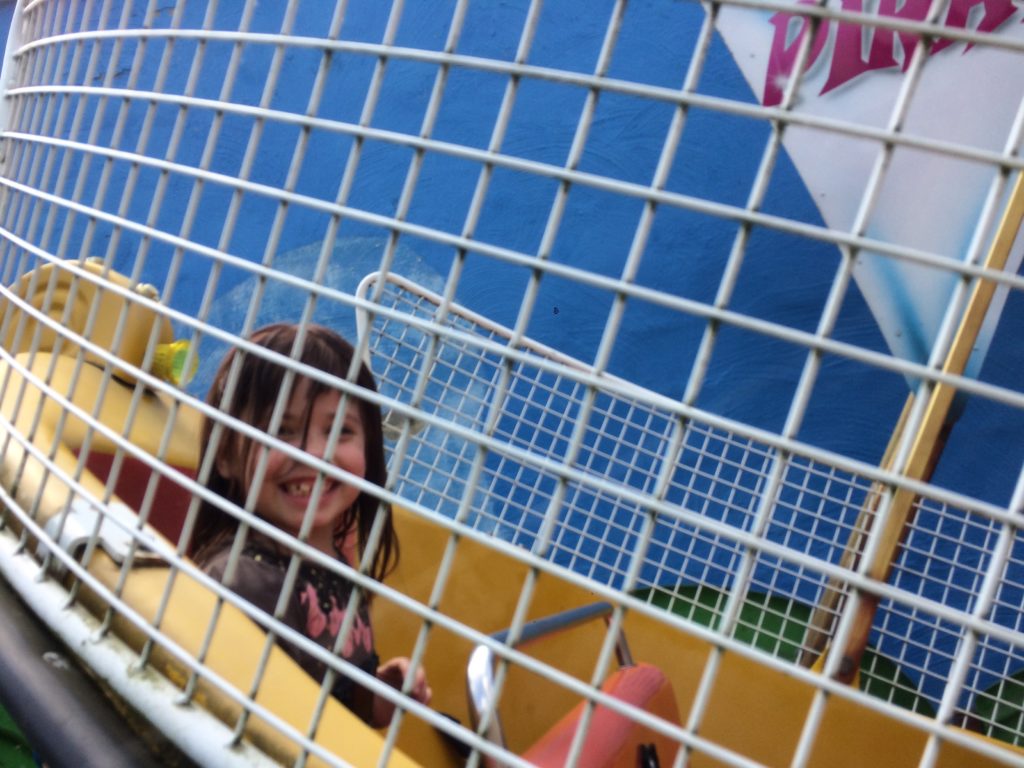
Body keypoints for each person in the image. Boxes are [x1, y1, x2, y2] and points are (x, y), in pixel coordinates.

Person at [188, 322, 430, 727]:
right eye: (281, 431)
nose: (314, 455)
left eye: (339, 431)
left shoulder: (335, 562)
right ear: (225, 455)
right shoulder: (242, 584)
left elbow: (336, 703)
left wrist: (378, 695)